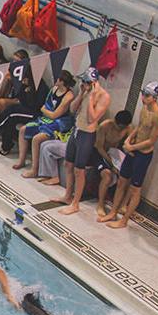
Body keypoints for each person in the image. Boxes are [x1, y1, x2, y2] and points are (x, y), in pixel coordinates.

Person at [99, 81, 158, 229]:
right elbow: (140, 127)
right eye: (143, 93)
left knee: (135, 190)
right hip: (133, 151)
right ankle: (113, 213)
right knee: (122, 182)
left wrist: (131, 146)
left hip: (143, 156)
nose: (143, 98)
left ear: (155, 97)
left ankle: (123, 221)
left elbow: (151, 141)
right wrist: (129, 139)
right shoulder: (144, 108)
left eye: (147, 95)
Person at [54, 67, 111, 215]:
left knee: (79, 171)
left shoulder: (103, 96)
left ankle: (75, 203)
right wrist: (81, 94)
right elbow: (72, 109)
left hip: (87, 135)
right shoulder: (84, 92)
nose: (83, 84)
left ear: (92, 82)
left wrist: (91, 97)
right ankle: (67, 196)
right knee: (68, 164)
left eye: (85, 82)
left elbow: (92, 118)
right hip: (76, 131)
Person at [14, 70, 76, 173]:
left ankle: (34, 170)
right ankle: (21, 161)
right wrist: (46, 111)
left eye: (57, 79)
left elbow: (55, 114)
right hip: (45, 120)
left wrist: (45, 111)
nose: (55, 80)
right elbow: (45, 108)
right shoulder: (54, 89)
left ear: (61, 81)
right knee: (23, 130)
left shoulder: (69, 96)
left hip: (59, 125)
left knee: (36, 139)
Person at [92, 110, 134, 215]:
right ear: (115, 121)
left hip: (113, 153)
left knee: (127, 176)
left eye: (123, 128)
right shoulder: (105, 126)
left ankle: (122, 205)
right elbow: (99, 147)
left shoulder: (128, 128)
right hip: (99, 154)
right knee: (107, 176)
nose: (120, 130)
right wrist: (111, 165)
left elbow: (129, 144)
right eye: (118, 127)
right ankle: (100, 205)